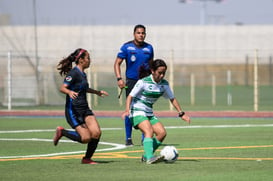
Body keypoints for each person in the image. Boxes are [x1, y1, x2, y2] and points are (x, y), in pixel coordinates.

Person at [121, 59, 191, 164]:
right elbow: (130, 96)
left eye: (164, 73)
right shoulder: (143, 82)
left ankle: (146, 155)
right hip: (137, 111)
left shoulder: (164, 84)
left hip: (149, 112)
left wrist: (181, 113)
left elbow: (172, 98)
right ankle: (150, 158)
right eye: (160, 73)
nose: (162, 75)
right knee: (148, 131)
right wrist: (127, 110)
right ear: (152, 71)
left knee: (162, 133)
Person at [53, 48, 109, 164]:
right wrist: (69, 92)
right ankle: (62, 132)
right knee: (85, 138)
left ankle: (87, 159)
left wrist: (97, 92)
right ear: (81, 60)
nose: (90, 60)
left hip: (85, 109)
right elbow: (62, 87)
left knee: (96, 133)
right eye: (88, 58)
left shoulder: (83, 74)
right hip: (73, 111)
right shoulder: (73, 73)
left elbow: (83, 88)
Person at [114, 24, 154, 146]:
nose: (141, 35)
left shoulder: (149, 48)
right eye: (139, 33)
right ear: (134, 34)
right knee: (130, 109)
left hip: (145, 82)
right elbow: (117, 64)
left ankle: (144, 137)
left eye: (143, 33)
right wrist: (119, 79)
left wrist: (153, 79)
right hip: (131, 82)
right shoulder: (126, 47)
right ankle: (128, 138)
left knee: (145, 108)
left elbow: (152, 66)